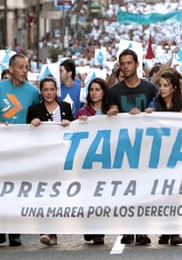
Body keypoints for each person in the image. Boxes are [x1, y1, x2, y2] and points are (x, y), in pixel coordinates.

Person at [0, 53, 40, 247]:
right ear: (11, 69)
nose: (25, 71)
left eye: (27, 67)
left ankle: (15, 232)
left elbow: (37, 116)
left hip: (22, 148)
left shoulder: (32, 92)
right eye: (22, 67)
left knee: (16, 189)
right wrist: (0, 126)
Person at [106, 49, 157, 246]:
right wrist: (113, 111)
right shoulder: (115, 91)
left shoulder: (150, 88)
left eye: (129, 63)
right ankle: (127, 228)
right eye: (122, 63)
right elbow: (110, 110)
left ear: (137, 64)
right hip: (123, 146)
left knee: (144, 189)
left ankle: (143, 229)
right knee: (126, 190)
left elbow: (159, 110)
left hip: (146, 146)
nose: (126, 66)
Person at [26, 77, 72, 247]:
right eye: (45, 90)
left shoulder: (66, 108)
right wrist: (32, 124)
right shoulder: (34, 109)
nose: (49, 93)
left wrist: (70, 124)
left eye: (52, 89)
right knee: (44, 195)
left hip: (61, 159)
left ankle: (54, 231)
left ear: (56, 91)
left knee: (58, 196)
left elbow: (76, 132)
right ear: (41, 92)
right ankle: (48, 232)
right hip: (42, 159)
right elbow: (25, 134)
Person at [145, 70, 182, 246]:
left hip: (177, 155)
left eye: (165, 86)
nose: (161, 89)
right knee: (162, 193)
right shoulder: (154, 104)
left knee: (176, 193)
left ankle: (175, 230)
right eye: (160, 85)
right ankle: (165, 230)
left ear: (174, 88)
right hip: (159, 156)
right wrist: (145, 115)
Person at [75, 77, 109, 245]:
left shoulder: (110, 111)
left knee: (101, 196)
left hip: (105, 160)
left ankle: (99, 231)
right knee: (87, 195)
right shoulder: (82, 112)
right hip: (86, 160)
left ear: (104, 92)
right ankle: (89, 227)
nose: (94, 93)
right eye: (91, 89)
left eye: (98, 89)